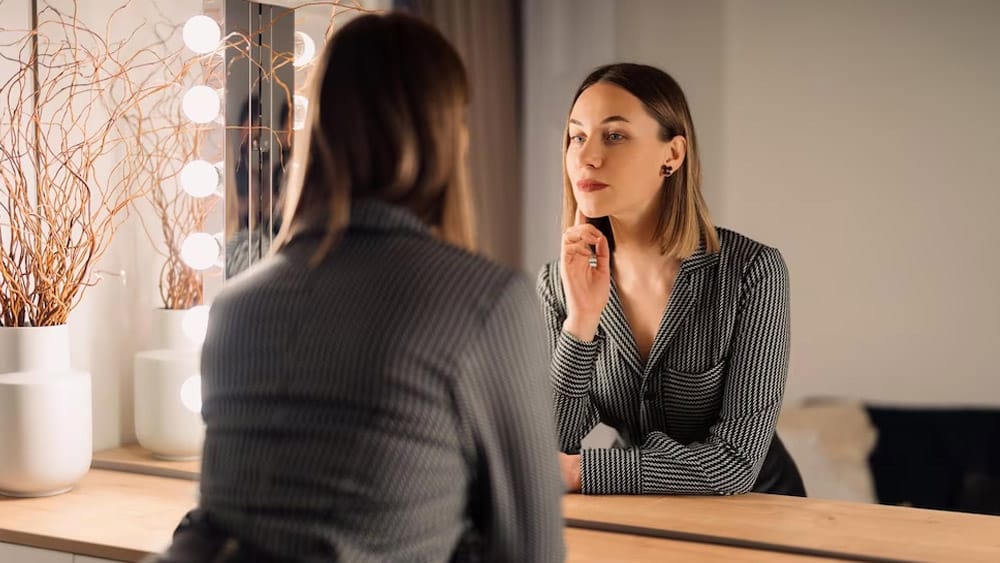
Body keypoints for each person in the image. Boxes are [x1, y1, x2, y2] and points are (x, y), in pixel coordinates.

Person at [151, 13, 565, 563]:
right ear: (446, 136)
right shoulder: (486, 302)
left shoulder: (235, 305)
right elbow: (529, 552)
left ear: (318, 132)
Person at [537, 63, 805, 497]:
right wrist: (581, 322)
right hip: (642, 514)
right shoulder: (558, 283)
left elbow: (734, 463)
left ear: (672, 155)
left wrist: (581, 472)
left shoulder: (752, 272)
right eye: (576, 136)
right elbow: (546, 448)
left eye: (615, 135)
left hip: (760, 511)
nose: (587, 156)